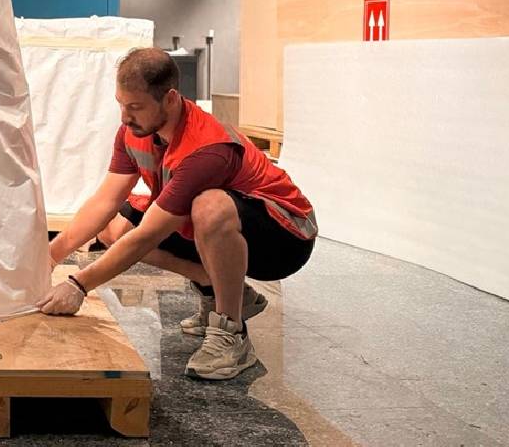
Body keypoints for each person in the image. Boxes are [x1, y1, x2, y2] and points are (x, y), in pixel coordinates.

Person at [37, 47, 317, 381]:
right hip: (230, 227)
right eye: (121, 104)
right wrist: (50, 256)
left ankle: (231, 332)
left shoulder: (207, 148)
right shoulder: (134, 133)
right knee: (115, 228)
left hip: (284, 238)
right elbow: (105, 201)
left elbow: (148, 236)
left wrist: (78, 285)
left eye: (135, 107)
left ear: (170, 99)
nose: (125, 117)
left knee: (209, 207)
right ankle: (219, 289)